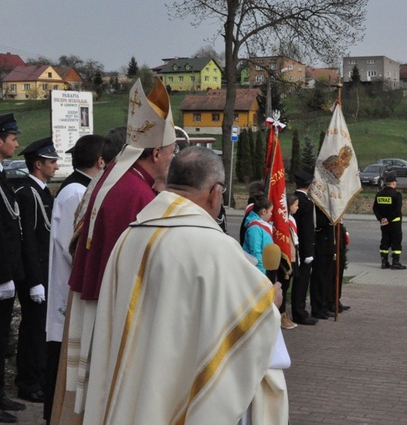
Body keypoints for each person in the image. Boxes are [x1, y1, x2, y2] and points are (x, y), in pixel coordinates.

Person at [84, 146, 287, 424]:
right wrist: (271, 305)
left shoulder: (129, 237)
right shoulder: (216, 249)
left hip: (131, 392)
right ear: (215, 193)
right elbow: (248, 321)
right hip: (178, 387)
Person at [53, 79, 176, 423]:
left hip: (93, 301)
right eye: (171, 152)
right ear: (155, 153)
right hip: (111, 311)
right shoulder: (136, 194)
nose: (173, 159)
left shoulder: (119, 179)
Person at [44, 134, 105, 425]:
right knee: (59, 364)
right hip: (67, 286)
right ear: (100, 160)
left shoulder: (79, 188)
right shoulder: (75, 193)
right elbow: (71, 244)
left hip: (73, 283)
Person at [14, 138, 60, 406]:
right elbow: (28, 240)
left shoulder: (40, 191)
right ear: (38, 164)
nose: (55, 165)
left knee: (40, 329)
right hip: (36, 273)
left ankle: (37, 379)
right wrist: (34, 281)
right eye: (51, 161)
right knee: (32, 330)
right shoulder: (27, 192)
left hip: (44, 269)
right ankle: (28, 382)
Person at [0, 113, 28, 422]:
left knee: (3, 337)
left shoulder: (3, 177)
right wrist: (3, 275)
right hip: (0, 274)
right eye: (12, 138)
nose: (16, 143)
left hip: (7, 273)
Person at [290, 170, 318, 326]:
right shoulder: (306, 203)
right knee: (301, 282)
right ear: (309, 185)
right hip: (303, 248)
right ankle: (299, 312)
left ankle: (297, 310)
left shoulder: (291, 199)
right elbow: (307, 229)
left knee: (296, 282)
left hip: (293, 245)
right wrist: (308, 252)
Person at [373, 172, 406, 270]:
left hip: (383, 224)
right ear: (393, 183)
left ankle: (384, 262)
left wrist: (381, 219)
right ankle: (395, 262)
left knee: (385, 241)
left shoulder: (379, 194)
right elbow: (397, 210)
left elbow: (375, 209)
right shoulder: (396, 195)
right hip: (394, 223)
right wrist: (388, 219)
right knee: (396, 242)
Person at [311, 206, 335, 319]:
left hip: (329, 246)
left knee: (326, 278)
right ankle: (317, 308)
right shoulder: (317, 206)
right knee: (319, 278)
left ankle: (324, 306)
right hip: (320, 246)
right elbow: (318, 224)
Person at [242, 195, 274, 276]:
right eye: (270, 211)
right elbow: (256, 252)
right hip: (258, 269)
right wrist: (261, 272)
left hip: (265, 266)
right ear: (264, 211)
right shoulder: (255, 228)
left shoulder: (261, 225)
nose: (271, 214)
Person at [280, 194, 299, 330]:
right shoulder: (283, 222)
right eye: (295, 205)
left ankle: (283, 313)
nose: (297, 208)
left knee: (286, 286)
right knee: (283, 286)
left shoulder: (291, 220)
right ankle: (281, 315)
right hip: (285, 258)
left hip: (292, 256)